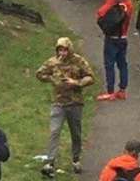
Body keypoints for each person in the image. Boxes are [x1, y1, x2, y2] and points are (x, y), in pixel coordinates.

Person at [36, 37, 94, 177]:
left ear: (70, 49)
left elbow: (90, 77)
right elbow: (39, 74)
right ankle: (50, 162)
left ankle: (76, 159)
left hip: (75, 103)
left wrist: (77, 82)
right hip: (58, 103)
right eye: (60, 50)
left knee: (76, 133)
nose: (63, 53)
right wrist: (51, 79)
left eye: (65, 50)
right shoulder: (53, 62)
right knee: (54, 132)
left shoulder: (79, 61)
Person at [96, 0, 134, 101]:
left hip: (111, 38)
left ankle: (110, 92)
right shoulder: (128, 2)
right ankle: (122, 90)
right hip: (123, 37)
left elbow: (101, 12)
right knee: (122, 64)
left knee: (109, 65)